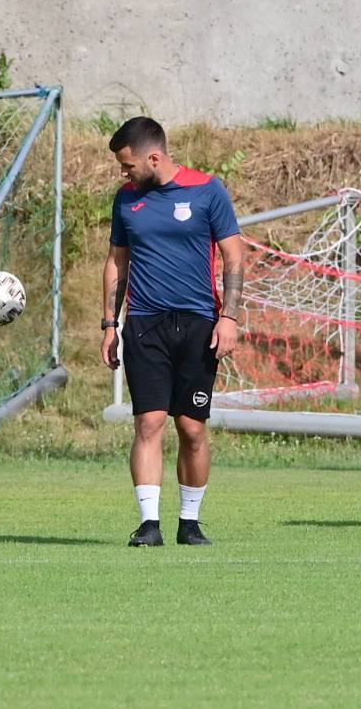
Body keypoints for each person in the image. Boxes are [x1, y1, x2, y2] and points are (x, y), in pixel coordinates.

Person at [100, 116, 244, 547]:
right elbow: (117, 262)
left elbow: (234, 257)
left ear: (154, 158)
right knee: (148, 423)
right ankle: (149, 524)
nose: (123, 174)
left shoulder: (208, 190)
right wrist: (110, 324)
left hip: (199, 324)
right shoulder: (127, 199)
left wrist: (230, 317)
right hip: (145, 324)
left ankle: (190, 521)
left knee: (192, 428)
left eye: (128, 166)